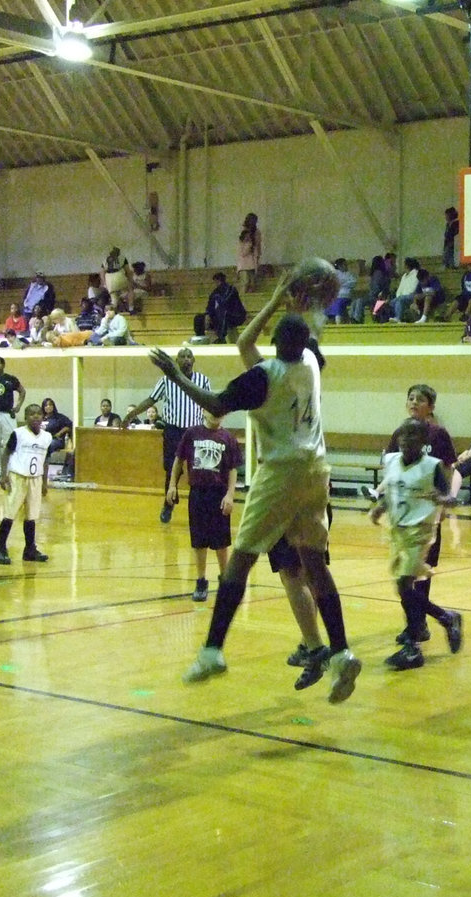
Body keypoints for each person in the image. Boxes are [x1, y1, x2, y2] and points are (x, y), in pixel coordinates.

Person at [149, 259, 362, 703]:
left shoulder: (264, 378)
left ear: (275, 343)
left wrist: (175, 376)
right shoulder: (311, 362)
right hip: (317, 471)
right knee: (315, 566)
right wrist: (291, 301)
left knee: (241, 560)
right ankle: (341, 653)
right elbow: (290, 333)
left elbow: (213, 400)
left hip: (282, 472)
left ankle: (212, 650)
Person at [370, 417, 460, 670]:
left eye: (413, 436)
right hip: (398, 530)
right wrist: (381, 507)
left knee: (404, 583)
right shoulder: (391, 462)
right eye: (403, 435)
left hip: (420, 531)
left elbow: (450, 499)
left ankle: (412, 647)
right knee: (402, 588)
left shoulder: (432, 466)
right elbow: (393, 492)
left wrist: (441, 497)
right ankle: (445, 618)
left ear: (423, 442)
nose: (406, 440)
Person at [123, 346, 210, 523]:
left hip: (195, 432)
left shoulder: (203, 380)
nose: (186, 359)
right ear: (177, 361)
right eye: (182, 356)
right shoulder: (166, 381)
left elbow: (209, 403)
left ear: (193, 361)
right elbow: (151, 400)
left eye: (189, 356)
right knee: (171, 470)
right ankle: (168, 505)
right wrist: (131, 415)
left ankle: (199, 510)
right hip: (173, 430)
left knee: (199, 471)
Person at [167, 410, 240, 603]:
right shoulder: (192, 434)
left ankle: (225, 580)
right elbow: (178, 460)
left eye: (220, 412)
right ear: (202, 411)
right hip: (198, 493)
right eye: (211, 410)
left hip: (219, 493)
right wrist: (172, 485)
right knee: (199, 540)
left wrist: (230, 495)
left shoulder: (228, 438)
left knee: (221, 542)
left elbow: (233, 469)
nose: (216, 414)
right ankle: (201, 581)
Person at [0, 403, 51, 565]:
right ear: (25, 418)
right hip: (17, 476)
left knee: (32, 515)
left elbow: (45, 460)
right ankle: (0, 548)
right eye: (31, 414)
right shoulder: (18, 434)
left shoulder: (47, 437)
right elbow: (6, 454)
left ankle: (30, 549)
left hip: (35, 478)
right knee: (10, 512)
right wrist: (3, 475)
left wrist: (45, 482)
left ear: (43, 417)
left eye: (39, 414)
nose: (36, 417)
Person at [193, 272, 247, 344]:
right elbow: (210, 305)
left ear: (218, 280)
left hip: (233, 314)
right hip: (219, 313)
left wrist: (216, 310)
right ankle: (201, 338)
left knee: (223, 316)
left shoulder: (231, 289)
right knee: (199, 318)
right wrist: (208, 314)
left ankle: (221, 338)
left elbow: (226, 303)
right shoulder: (215, 292)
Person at [349, 255, 391, 324]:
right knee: (356, 301)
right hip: (375, 295)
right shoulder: (378, 273)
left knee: (359, 301)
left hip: (377, 296)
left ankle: (357, 318)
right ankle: (354, 318)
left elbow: (376, 288)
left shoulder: (378, 273)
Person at [236, 213, 262, 294]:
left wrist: (257, 261)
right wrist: (249, 244)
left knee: (252, 284)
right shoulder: (243, 232)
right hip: (244, 263)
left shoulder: (257, 232)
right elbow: (242, 252)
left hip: (252, 262)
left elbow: (258, 247)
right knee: (245, 282)